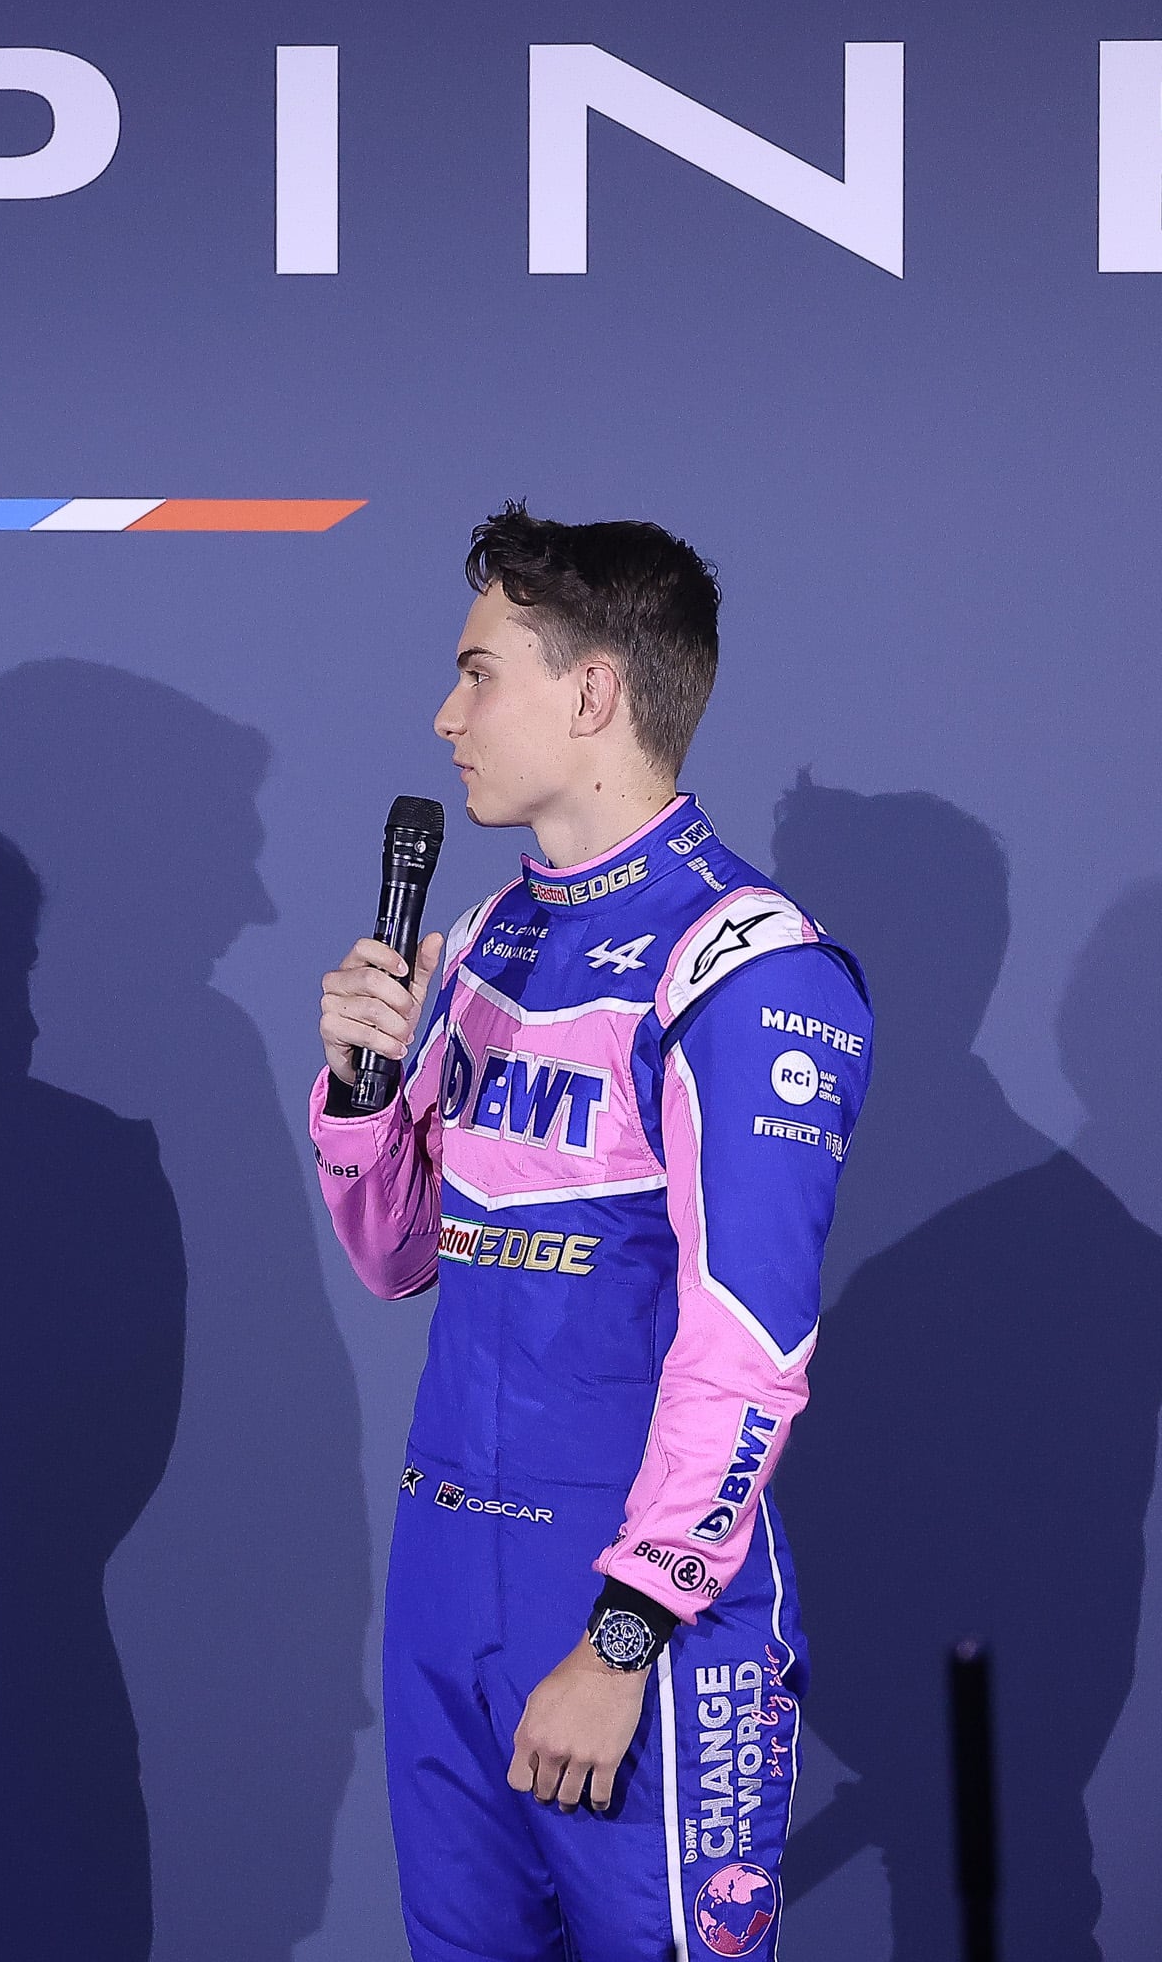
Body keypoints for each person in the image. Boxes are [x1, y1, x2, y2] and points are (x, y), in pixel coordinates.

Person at [310, 506, 870, 1961]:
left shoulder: (745, 966)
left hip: (628, 1601)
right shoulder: (493, 933)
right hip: (446, 1583)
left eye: (477, 672)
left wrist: (624, 1640)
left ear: (593, 691)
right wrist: (363, 1093)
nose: (446, 717)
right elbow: (397, 1256)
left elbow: (751, 1346)